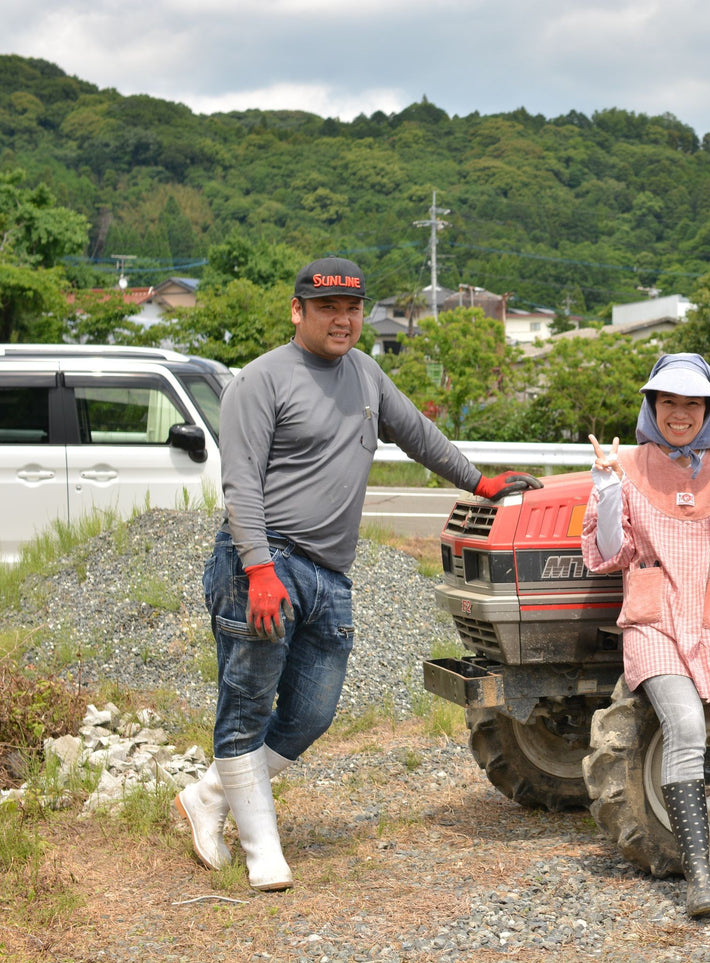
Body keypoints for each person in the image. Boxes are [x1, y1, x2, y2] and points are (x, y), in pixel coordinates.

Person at [173, 256, 541, 891]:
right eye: (327, 309)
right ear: (298, 312)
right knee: (249, 703)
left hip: (330, 573)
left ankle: (209, 793)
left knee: (312, 712)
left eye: (352, 309)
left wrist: (479, 481)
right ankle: (264, 852)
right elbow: (240, 486)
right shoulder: (259, 381)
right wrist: (259, 569)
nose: (343, 320)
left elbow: (418, 434)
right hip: (264, 561)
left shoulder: (365, 373)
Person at [582, 352, 710, 917]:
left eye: (691, 403)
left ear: (709, 410)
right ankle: (698, 877)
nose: (679, 412)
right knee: (687, 726)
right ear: (652, 407)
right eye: (667, 401)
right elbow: (609, 553)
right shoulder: (629, 465)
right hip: (657, 617)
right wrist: (604, 491)